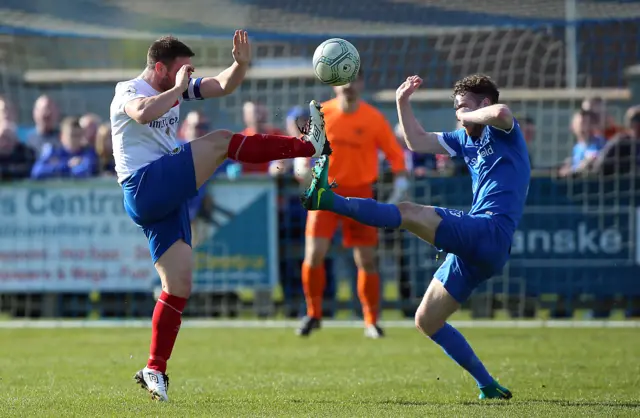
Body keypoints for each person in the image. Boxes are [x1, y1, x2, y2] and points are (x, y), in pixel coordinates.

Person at [109, 31, 330, 402]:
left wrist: (240, 65)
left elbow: (224, 85)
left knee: (178, 285)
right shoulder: (128, 90)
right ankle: (309, 145)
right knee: (222, 141)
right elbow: (145, 113)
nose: (188, 75)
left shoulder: (175, 86)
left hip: (165, 193)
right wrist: (178, 89)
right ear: (160, 68)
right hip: (145, 185)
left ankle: (154, 369)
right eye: (181, 70)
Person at [301, 74, 530, 400]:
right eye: (455, 109)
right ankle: (487, 385)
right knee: (427, 320)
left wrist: (468, 115)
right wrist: (402, 102)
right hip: (482, 247)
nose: (458, 114)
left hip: (490, 231)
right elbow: (416, 141)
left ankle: (328, 200)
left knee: (408, 212)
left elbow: (503, 113)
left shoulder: (502, 130)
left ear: (483, 104)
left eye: (463, 106)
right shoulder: (465, 139)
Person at [295, 69, 409, 339]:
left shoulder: (373, 118)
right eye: (342, 79)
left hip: (360, 194)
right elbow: (305, 146)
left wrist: (401, 181)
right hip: (324, 192)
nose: (347, 85)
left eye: (353, 78)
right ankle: (313, 314)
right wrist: (300, 162)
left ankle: (371, 320)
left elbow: (395, 154)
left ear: (361, 82)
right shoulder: (322, 113)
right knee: (313, 254)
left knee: (366, 260)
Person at [31, 116, 99, 179]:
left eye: (78, 135)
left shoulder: (87, 153)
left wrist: (55, 167)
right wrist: (66, 166)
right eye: (72, 135)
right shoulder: (53, 152)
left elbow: (84, 172)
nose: (75, 139)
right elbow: (37, 172)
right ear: (61, 136)